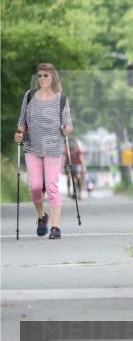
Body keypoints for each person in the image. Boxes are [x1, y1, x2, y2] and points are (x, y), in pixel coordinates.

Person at [13, 62, 73, 240]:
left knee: (53, 187)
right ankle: (41, 216)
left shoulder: (61, 99)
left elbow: (68, 124)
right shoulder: (29, 96)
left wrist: (67, 130)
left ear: (53, 77)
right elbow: (22, 122)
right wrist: (19, 133)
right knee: (35, 187)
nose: (42, 79)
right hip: (32, 147)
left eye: (46, 75)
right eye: (39, 76)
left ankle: (55, 227)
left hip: (53, 147)